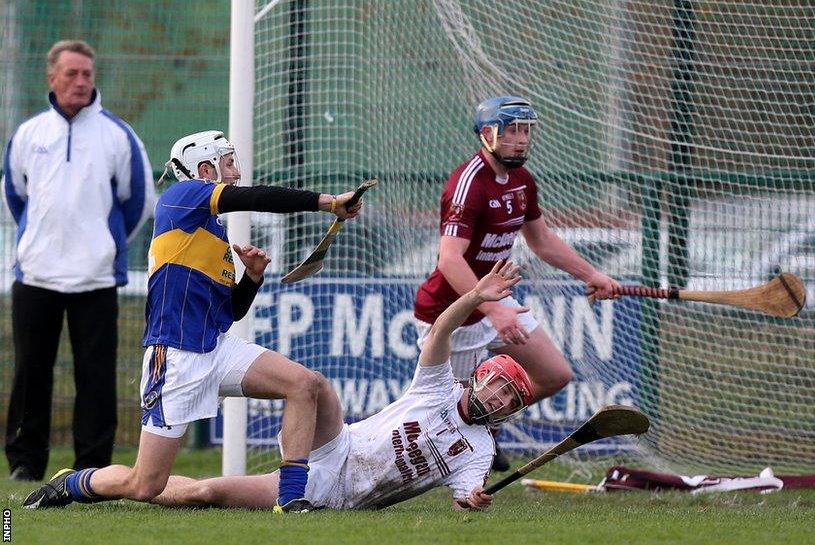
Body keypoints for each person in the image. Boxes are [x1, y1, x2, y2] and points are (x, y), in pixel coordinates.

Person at [22, 130, 363, 513]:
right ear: (205, 169)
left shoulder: (213, 232)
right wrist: (327, 202)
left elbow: (230, 312)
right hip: (176, 357)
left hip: (216, 348)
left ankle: (291, 499)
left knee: (305, 384)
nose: (235, 172)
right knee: (145, 484)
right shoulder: (181, 198)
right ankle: (72, 482)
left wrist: (251, 277)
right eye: (228, 162)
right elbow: (254, 197)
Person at [25, 260, 533, 513]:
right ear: (480, 376)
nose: (500, 400)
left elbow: (467, 493)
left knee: (202, 492)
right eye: (500, 387)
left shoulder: (481, 451)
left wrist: (471, 502)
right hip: (338, 444)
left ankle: (75, 481)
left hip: (337, 496)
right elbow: (442, 330)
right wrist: (476, 294)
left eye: (510, 401)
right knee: (312, 384)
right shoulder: (438, 387)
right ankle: (292, 501)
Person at [413, 96, 620, 471]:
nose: (521, 139)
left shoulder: (522, 181)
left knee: (555, 375)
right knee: (448, 414)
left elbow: (541, 241)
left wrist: (592, 275)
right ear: (488, 134)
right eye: (512, 131)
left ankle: (486, 427)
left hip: (493, 304)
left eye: (526, 130)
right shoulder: (469, 184)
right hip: (454, 314)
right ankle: (449, 462)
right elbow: (449, 259)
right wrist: (493, 309)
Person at [2, 39, 156, 482]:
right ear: (52, 78)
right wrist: (42, 239)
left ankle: (92, 469)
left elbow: (138, 202)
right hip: (36, 276)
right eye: (71, 74)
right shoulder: (30, 134)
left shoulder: (117, 135)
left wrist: (102, 244)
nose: (81, 82)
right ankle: (25, 465)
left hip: (95, 279)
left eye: (87, 74)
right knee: (31, 373)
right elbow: (16, 196)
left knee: (96, 377)